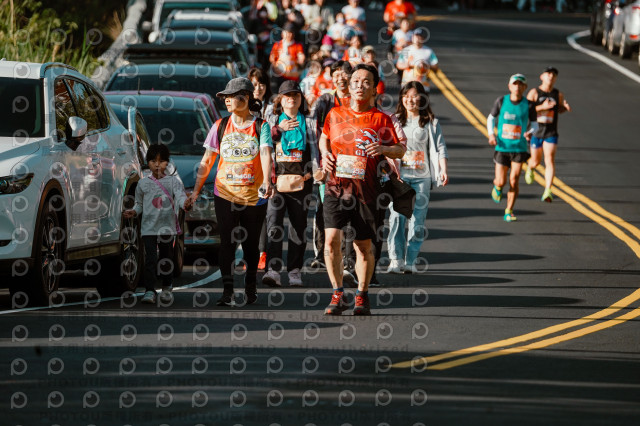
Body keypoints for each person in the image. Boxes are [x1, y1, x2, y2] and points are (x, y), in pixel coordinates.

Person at [319, 63, 404, 315]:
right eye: (356, 81)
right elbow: (324, 137)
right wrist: (324, 154)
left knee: (362, 247)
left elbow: (400, 150)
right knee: (331, 241)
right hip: (336, 187)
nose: (360, 86)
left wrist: (384, 149)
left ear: (374, 89)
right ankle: (337, 293)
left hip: (366, 191)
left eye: (366, 82)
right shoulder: (334, 114)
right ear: (349, 85)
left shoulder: (381, 119)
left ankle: (361, 295)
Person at [189, 78, 275, 306]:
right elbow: (207, 160)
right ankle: (227, 291)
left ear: (245, 98)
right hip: (225, 194)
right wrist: (196, 191)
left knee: (250, 245)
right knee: (227, 242)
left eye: (231, 96)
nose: (226, 100)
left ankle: (250, 286)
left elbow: (265, 154)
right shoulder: (220, 125)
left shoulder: (261, 126)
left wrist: (267, 180)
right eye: (224, 97)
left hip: (254, 196)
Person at [262, 81, 319, 287]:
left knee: (298, 227)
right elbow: (264, 144)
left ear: (301, 99)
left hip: (301, 183)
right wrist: (279, 129)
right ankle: (273, 270)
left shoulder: (309, 121)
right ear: (280, 99)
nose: (291, 99)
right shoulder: (272, 119)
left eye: (295, 95)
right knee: (274, 225)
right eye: (287, 96)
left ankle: (294, 271)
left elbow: (316, 150)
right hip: (276, 182)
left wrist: (315, 170)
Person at [387, 81, 449, 274]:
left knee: (417, 221)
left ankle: (411, 260)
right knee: (397, 218)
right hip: (400, 177)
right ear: (401, 99)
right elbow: (387, 145)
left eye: (414, 96)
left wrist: (443, 169)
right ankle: (395, 259)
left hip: (422, 177)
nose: (410, 100)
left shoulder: (430, 121)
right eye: (406, 96)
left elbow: (440, 147)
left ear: (422, 98)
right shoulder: (395, 120)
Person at [124, 144, 192, 304]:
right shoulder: (143, 183)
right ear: (148, 162)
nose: (157, 165)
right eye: (153, 161)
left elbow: (181, 198)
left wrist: (186, 204)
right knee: (150, 259)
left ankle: (167, 287)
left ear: (167, 163)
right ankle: (149, 290)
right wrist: (134, 212)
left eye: (161, 161)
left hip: (167, 227)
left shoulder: (173, 182)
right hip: (148, 228)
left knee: (166, 258)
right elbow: (139, 204)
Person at [311, 60, 353, 269]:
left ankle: (346, 257)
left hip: (352, 164)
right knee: (324, 208)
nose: (340, 78)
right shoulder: (325, 100)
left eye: (344, 74)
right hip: (327, 163)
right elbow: (314, 131)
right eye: (335, 74)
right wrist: (317, 161)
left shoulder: (357, 100)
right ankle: (321, 254)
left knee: (349, 208)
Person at [487, 74, 538, 222]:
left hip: (519, 148)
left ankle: (509, 211)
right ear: (509, 86)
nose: (517, 87)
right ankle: (497, 187)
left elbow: (535, 124)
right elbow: (491, 118)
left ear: (525, 87)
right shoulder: (501, 101)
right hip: (502, 148)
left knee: (514, 180)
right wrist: (491, 134)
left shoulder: (529, 105)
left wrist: (530, 132)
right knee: (500, 181)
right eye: (515, 84)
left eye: (520, 84)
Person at [524, 66, 571, 202]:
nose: (551, 76)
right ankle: (530, 167)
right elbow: (526, 111)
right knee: (536, 161)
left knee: (549, 159)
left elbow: (558, 110)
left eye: (554, 75)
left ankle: (548, 190)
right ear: (542, 77)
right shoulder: (534, 93)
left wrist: (564, 108)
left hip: (551, 132)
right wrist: (542, 107)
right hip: (536, 132)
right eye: (548, 73)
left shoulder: (558, 94)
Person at [248, 67, 274, 270]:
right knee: (248, 211)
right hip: (247, 166)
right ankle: (249, 253)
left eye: (262, 84)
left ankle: (262, 253)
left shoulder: (274, 108)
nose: (258, 88)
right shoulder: (243, 108)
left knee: (264, 211)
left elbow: (276, 133)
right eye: (254, 85)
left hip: (269, 165)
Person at [269, 22, 306, 93]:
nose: (290, 35)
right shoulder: (278, 45)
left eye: (291, 33)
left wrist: (301, 58)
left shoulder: (297, 45)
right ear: (283, 33)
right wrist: (275, 66)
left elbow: (300, 55)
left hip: (292, 75)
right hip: (280, 75)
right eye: (288, 32)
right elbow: (272, 58)